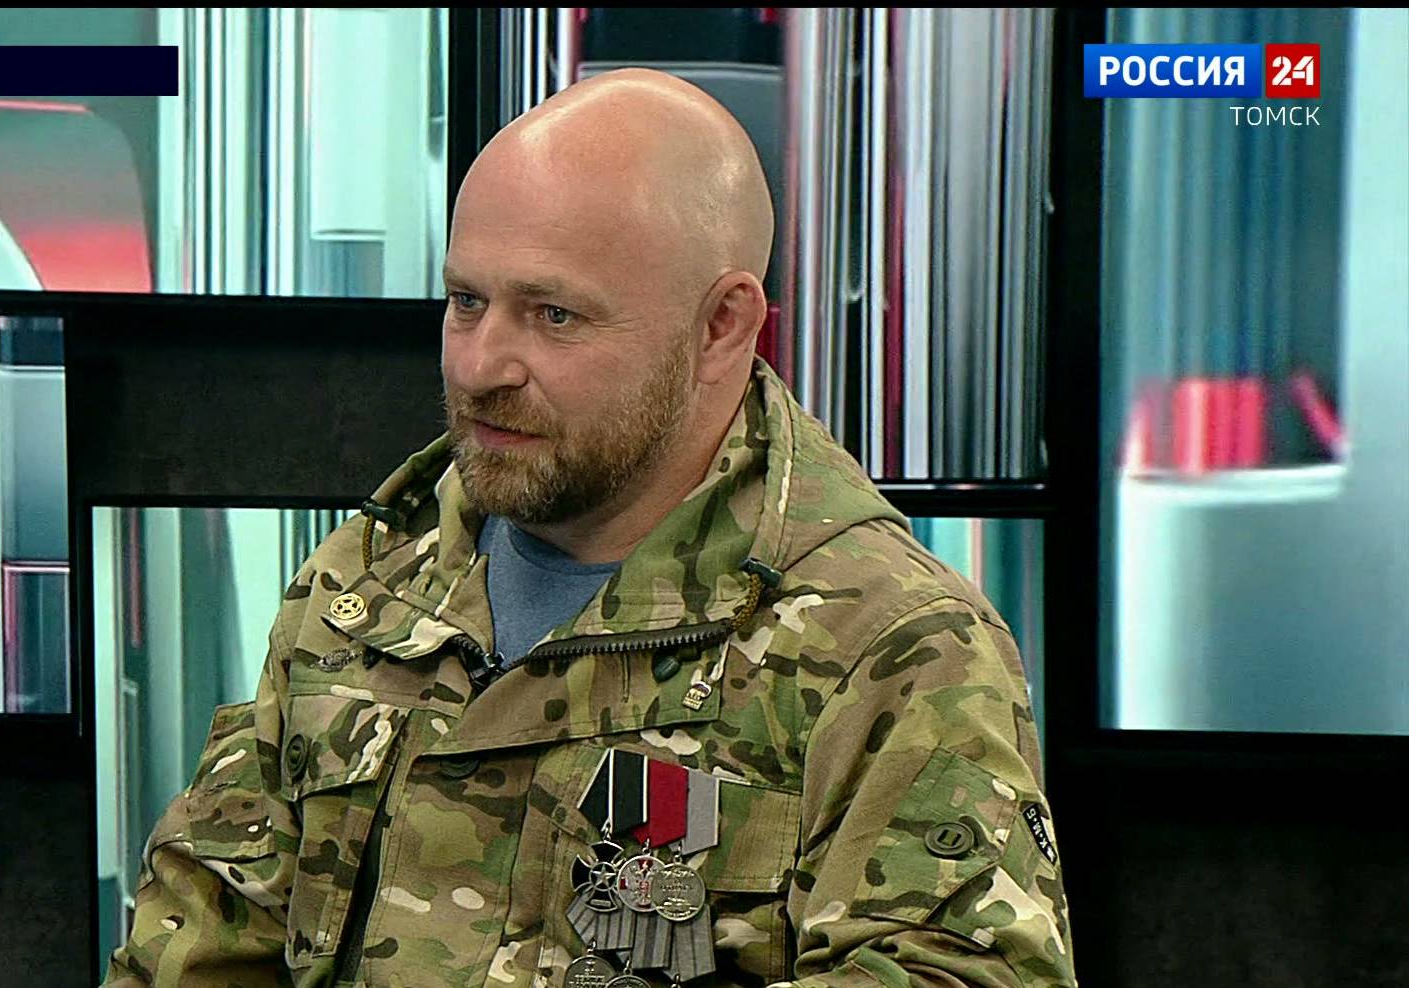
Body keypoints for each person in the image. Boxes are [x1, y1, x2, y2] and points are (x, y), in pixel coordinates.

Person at [104, 67, 1074, 988]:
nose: (480, 365)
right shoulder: (368, 578)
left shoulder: (890, 646)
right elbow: (197, 945)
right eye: (466, 301)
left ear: (721, 326)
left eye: (554, 315)